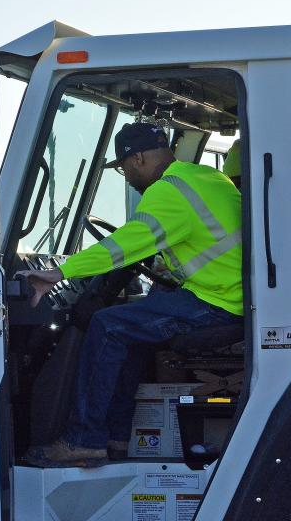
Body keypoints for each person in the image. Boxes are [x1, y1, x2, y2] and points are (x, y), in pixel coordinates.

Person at [16, 122, 243, 467]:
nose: (124, 176)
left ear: (137, 158)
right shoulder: (205, 177)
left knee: (108, 325)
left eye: (123, 168)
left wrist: (59, 272)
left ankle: (83, 440)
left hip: (220, 302)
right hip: (231, 292)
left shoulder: (167, 192)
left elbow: (122, 246)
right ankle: (117, 438)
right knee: (133, 329)